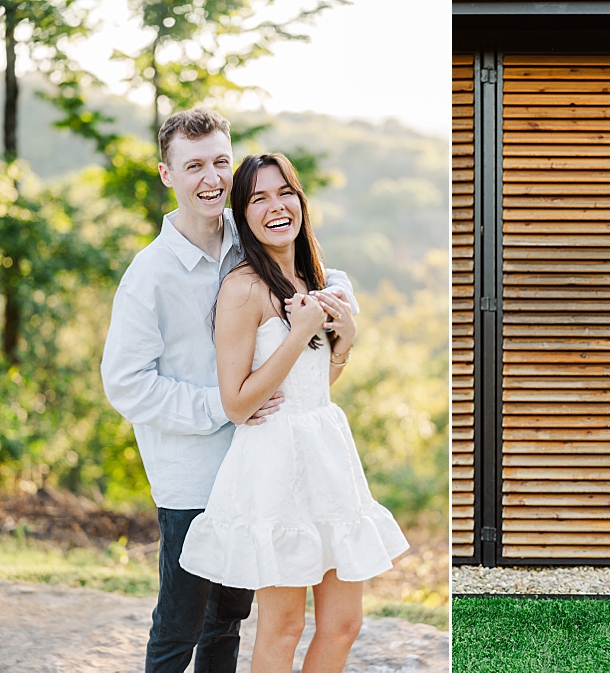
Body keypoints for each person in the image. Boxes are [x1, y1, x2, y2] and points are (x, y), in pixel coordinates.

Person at [100, 108, 357, 671]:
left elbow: (317, 273)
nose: (211, 177)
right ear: (167, 174)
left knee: (229, 623)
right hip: (192, 473)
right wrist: (225, 406)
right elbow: (126, 384)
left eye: (220, 161)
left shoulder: (248, 235)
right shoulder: (150, 274)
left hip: (257, 467)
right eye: (194, 166)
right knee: (180, 625)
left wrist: (345, 318)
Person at [178, 153, 409, 672]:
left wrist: (344, 343)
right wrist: (301, 333)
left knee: (344, 625)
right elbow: (237, 403)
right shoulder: (243, 288)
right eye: (258, 198)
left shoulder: (319, 278)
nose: (275, 206)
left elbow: (311, 386)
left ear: (300, 200)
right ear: (241, 215)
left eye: (284, 192)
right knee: (283, 628)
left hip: (326, 453)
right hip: (275, 463)